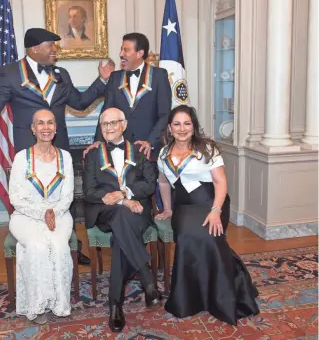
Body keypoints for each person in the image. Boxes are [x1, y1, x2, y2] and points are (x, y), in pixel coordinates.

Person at [0, 27, 114, 265]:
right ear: (34, 49)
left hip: (59, 148)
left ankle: (70, 247)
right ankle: (35, 250)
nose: (55, 50)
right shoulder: (10, 74)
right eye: (50, 46)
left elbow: (81, 103)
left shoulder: (61, 74)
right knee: (32, 199)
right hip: (28, 150)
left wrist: (102, 79)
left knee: (65, 198)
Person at [156, 105, 259, 325]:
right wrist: (167, 208)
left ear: (194, 126)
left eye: (187, 123)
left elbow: (220, 182)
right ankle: (191, 298)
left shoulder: (207, 149)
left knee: (211, 236)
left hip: (212, 201)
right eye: (177, 124)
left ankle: (222, 296)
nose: (182, 128)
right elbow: (163, 182)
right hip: (184, 206)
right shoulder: (164, 153)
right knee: (186, 236)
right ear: (169, 128)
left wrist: (215, 211)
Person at [83, 107, 162, 333]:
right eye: (105, 124)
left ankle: (115, 305)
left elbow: (149, 184)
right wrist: (118, 200)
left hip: (136, 213)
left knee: (120, 238)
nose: (109, 128)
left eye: (114, 123)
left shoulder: (139, 151)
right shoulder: (92, 154)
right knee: (119, 214)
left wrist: (125, 193)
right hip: (105, 212)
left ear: (124, 125)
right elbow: (88, 191)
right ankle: (147, 278)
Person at [8, 109, 74, 325]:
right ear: (33, 128)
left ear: (56, 128)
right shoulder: (21, 158)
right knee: (36, 246)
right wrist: (41, 213)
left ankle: (59, 303)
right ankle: (37, 306)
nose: (45, 127)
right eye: (40, 123)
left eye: (50, 123)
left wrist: (53, 212)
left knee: (58, 246)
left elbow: (68, 195)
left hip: (59, 214)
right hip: (26, 215)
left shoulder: (65, 157)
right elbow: (15, 198)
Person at [86, 33, 172, 160]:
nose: (121, 54)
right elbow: (106, 112)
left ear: (140, 53)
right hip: (119, 151)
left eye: (126, 50)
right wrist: (98, 141)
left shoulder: (159, 76)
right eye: (121, 49)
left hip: (149, 152)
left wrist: (150, 142)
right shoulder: (115, 77)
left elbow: (165, 115)